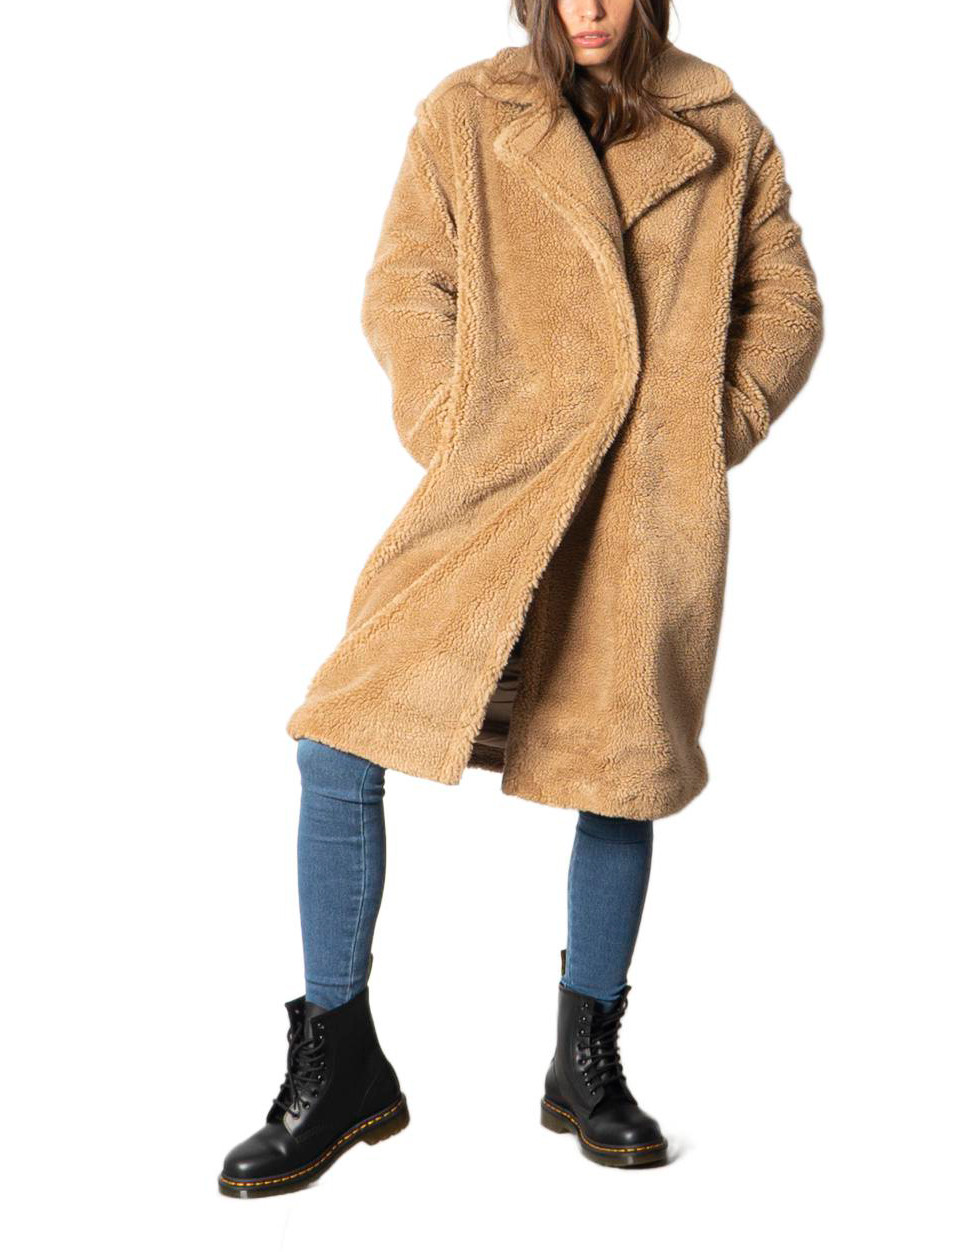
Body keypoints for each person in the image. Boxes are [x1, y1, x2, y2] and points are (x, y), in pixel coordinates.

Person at [218, 0, 823, 1196]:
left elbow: (788, 302)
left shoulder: (725, 129)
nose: (587, 8)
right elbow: (406, 286)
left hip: (642, 503)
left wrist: (704, 432)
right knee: (338, 736)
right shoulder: (466, 113)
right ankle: (341, 1060)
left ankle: (584, 1060)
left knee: (621, 765)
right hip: (495, 484)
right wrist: (461, 428)